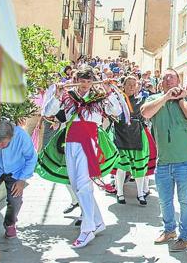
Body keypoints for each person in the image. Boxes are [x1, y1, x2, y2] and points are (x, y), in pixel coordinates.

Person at [38, 67, 122, 248]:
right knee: (77, 185)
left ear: (93, 81)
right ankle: (98, 222)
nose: (84, 85)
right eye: (81, 80)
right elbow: (47, 112)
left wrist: (110, 92)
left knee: (83, 184)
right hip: (70, 142)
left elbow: (117, 111)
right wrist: (57, 95)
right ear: (75, 79)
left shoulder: (99, 98)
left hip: (90, 142)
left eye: (88, 81)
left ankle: (88, 229)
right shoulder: (67, 96)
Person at [141, 68, 187, 252]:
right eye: (165, 78)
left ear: (178, 81)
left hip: (185, 162)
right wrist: (166, 97)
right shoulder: (154, 100)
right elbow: (145, 113)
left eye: (172, 78)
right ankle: (169, 230)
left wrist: (180, 99)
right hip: (164, 161)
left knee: (185, 201)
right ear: (161, 83)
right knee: (165, 201)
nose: (168, 80)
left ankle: (185, 237)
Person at [0, 119, 37, 242]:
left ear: (10, 137)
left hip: (16, 171)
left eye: (3, 144)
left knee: (15, 199)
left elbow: (32, 158)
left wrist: (22, 179)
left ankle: (10, 224)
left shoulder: (22, 136)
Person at [112, 76, 150, 206]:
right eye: (129, 84)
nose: (132, 87)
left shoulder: (142, 100)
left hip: (136, 135)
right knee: (121, 167)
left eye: (134, 84)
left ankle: (140, 194)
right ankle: (120, 193)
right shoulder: (117, 100)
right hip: (120, 134)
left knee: (139, 166)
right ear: (123, 85)